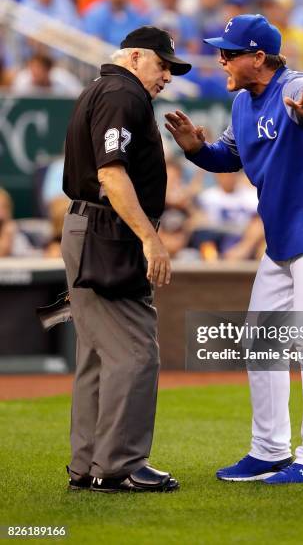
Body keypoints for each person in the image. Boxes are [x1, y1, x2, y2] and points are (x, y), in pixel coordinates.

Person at [165, 14, 303, 484]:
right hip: (283, 238)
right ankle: (271, 449)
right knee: (262, 342)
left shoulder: (294, 85)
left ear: (259, 57)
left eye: (231, 51)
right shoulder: (242, 101)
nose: (222, 58)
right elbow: (228, 156)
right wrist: (196, 150)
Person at [62, 26, 191, 493]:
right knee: (135, 351)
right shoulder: (122, 92)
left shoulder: (101, 88)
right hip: (106, 232)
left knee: (99, 355)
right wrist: (150, 239)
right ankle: (119, 465)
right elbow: (111, 174)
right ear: (136, 57)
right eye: (162, 65)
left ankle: (90, 464)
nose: (168, 77)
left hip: (89, 227)